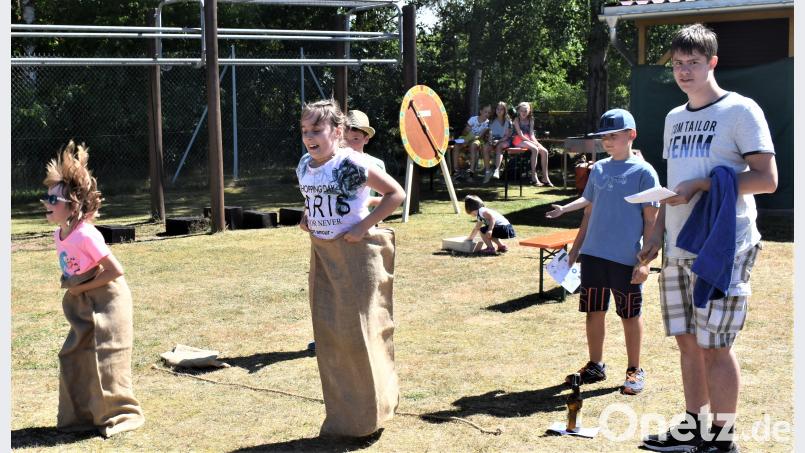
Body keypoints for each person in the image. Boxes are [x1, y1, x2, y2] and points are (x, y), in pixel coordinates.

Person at [639, 24, 777, 453]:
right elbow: (671, 184)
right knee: (686, 341)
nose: (684, 72)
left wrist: (703, 185)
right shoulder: (673, 118)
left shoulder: (740, 110)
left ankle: (722, 439)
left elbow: (767, 179)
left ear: (712, 63)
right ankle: (693, 428)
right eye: (678, 64)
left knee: (715, 343)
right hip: (679, 243)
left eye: (693, 63)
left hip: (724, 244)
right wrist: (655, 234)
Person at [297, 99, 405, 438]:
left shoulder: (351, 163)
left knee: (361, 335)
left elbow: (395, 194)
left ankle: (369, 416)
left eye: (317, 129)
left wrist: (363, 227)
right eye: (304, 130)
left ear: (337, 132)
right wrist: (307, 216)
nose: (309, 137)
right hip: (323, 256)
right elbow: (312, 196)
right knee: (331, 338)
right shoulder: (304, 164)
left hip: (356, 257)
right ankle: (344, 417)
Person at [41, 140, 145, 437]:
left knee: (106, 357)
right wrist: (76, 290)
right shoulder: (58, 234)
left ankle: (119, 415)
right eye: (47, 197)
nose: (47, 204)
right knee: (74, 355)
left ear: (72, 206)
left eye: (54, 200)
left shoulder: (86, 234)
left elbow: (115, 271)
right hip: (83, 297)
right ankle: (80, 418)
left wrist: (81, 287)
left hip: (109, 298)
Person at [563, 108, 660, 397]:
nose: (607, 141)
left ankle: (634, 369)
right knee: (593, 312)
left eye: (613, 136)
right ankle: (595, 365)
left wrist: (645, 262)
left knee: (629, 314)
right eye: (604, 137)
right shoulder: (599, 169)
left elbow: (651, 221)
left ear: (631, 135)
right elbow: (589, 212)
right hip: (593, 256)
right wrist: (575, 251)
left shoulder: (645, 172)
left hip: (625, 260)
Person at [346, 109, 385, 208]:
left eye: (355, 138)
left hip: (368, 221)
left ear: (366, 139)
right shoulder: (334, 163)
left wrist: (370, 201)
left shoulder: (376, 164)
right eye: (345, 138)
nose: (349, 144)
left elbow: (389, 197)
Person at [512, 101, 553, 186]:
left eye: (526, 111)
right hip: (518, 139)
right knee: (535, 149)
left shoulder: (531, 119)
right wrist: (533, 143)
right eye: (522, 111)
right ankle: (534, 177)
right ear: (519, 111)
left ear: (529, 111)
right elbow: (520, 135)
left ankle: (545, 177)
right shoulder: (516, 120)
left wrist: (537, 143)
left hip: (528, 139)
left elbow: (531, 134)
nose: (524, 113)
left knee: (544, 151)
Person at [451, 104, 491, 180]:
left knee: (473, 145)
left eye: (489, 113)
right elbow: (464, 133)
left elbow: (480, 136)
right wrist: (466, 132)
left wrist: (469, 140)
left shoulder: (487, 123)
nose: (487, 114)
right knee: (456, 145)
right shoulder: (473, 119)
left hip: (477, 139)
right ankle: (456, 170)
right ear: (481, 111)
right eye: (485, 112)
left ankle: (471, 172)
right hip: (467, 137)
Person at [483, 101, 513, 183]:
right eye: (497, 109)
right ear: (495, 110)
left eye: (501, 109)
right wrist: (490, 141)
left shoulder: (508, 120)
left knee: (499, 146)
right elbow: (490, 133)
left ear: (504, 110)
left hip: (505, 140)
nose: (499, 111)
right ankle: (487, 171)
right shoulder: (492, 120)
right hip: (494, 140)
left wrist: (498, 141)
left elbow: (507, 135)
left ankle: (497, 170)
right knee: (485, 147)